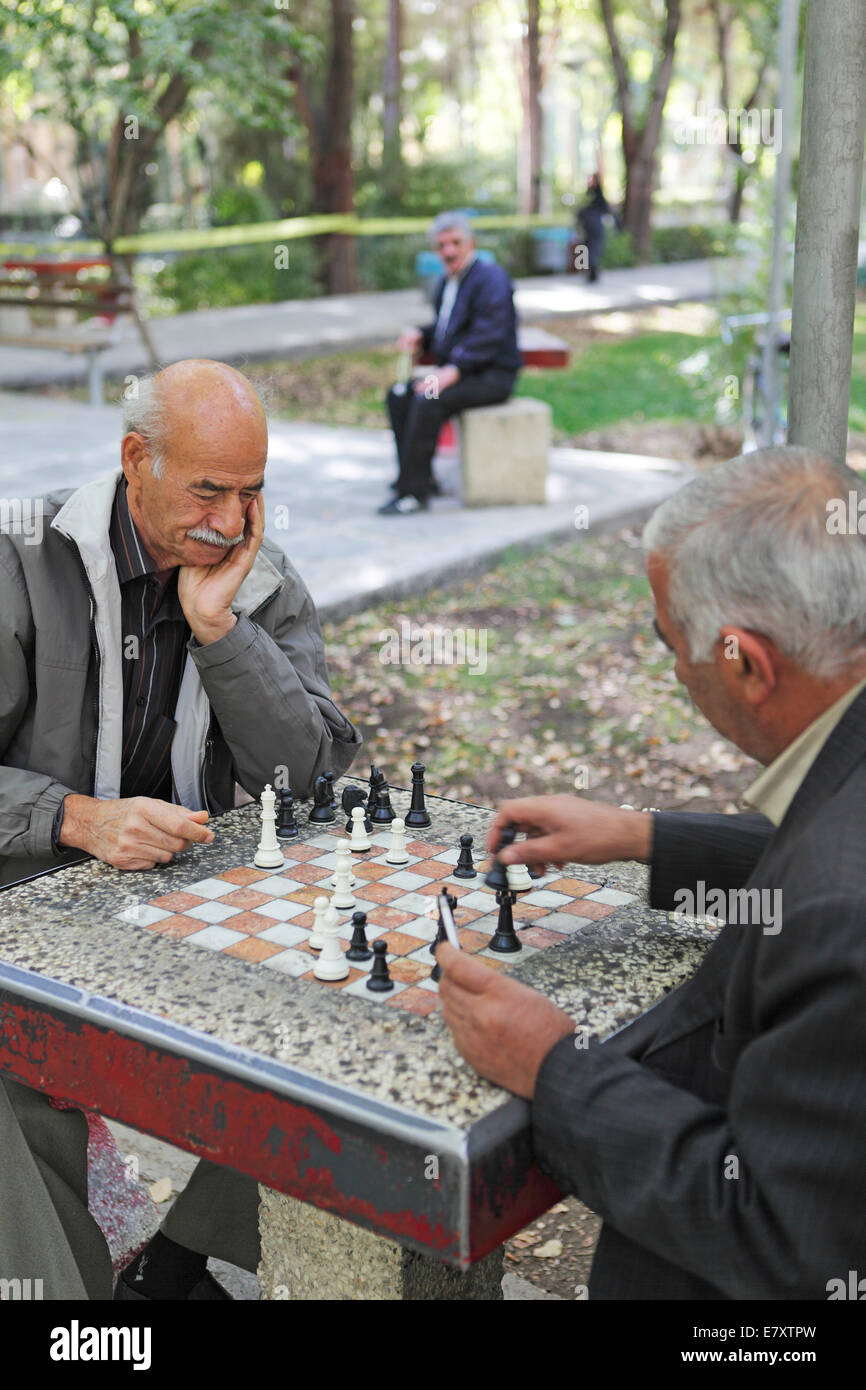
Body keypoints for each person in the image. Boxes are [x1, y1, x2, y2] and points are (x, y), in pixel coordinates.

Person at [438, 445, 866, 1299]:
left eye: (672, 643)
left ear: (746, 662)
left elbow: (782, 1243)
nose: (674, 671)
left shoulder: (840, 917)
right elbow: (820, 849)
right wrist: (647, 838)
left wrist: (554, 1067)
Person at [0, 358, 362, 1299]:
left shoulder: (259, 581)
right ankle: (79, 1307)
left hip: (187, 910)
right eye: (210, 489)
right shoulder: (17, 556)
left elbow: (310, 775)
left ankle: (182, 1259)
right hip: (22, 905)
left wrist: (222, 631)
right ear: (136, 460)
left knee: (342, 1014)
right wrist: (74, 816)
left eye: (253, 491)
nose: (235, 520)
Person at [378, 211, 521, 515]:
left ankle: (413, 494)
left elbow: (488, 336)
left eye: (456, 243)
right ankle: (419, 477)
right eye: (442, 245)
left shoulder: (491, 279)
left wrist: (450, 372)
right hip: (464, 370)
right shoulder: (448, 282)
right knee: (398, 394)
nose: (450, 251)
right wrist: (420, 334)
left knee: (427, 399)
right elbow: (449, 330)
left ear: (471, 243)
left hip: (491, 375)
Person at [576, 173, 620, 283]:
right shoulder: (590, 194)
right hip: (591, 226)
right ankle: (589, 271)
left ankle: (591, 271)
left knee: (592, 248)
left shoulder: (596, 194)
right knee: (591, 248)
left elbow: (604, 208)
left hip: (592, 225)